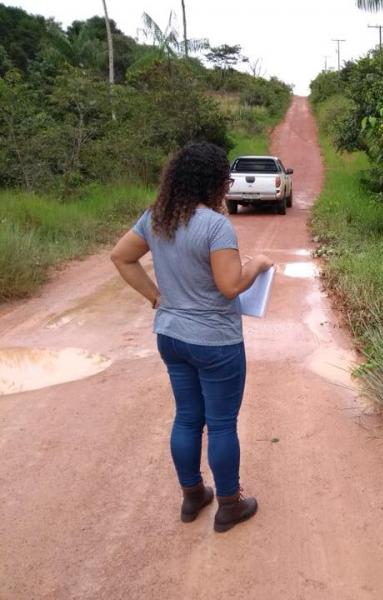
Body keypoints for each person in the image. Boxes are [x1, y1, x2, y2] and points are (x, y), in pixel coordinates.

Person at [111, 142, 272, 532]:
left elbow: (121, 256)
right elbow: (230, 286)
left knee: (186, 417)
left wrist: (155, 298)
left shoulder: (156, 218)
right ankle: (230, 504)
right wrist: (257, 265)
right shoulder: (216, 225)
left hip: (170, 335)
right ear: (214, 181)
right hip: (215, 341)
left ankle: (192, 495)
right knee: (220, 424)